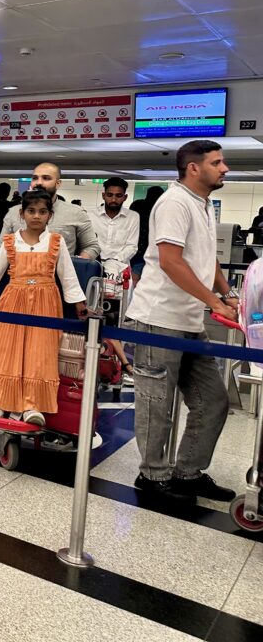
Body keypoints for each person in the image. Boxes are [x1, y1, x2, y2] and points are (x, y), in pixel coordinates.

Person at [125, 140, 237, 504]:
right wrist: (213, 302)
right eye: (217, 163)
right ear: (193, 168)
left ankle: (188, 472)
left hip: (189, 321)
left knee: (213, 400)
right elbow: (171, 261)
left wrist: (227, 293)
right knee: (157, 404)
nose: (225, 168)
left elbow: (207, 257)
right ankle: (153, 476)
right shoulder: (174, 202)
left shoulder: (202, 205)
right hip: (158, 320)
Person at [0, 190, 88, 426]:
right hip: (13, 300)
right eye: (31, 211)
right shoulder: (11, 241)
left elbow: (67, 275)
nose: (36, 216)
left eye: (42, 212)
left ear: (49, 216)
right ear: (22, 214)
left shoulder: (56, 242)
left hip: (46, 303)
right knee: (5, 350)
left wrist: (79, 303)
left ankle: (33, 406)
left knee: (40, 353)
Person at [90, 177, 140, 379]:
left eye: (118, 196)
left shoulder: (133, 217)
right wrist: (100, 258)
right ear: (103, 195)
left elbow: (132, 246)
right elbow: (89, 242)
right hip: (94, 271)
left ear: (125, 197)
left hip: (120, 275)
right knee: (93, 316)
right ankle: (95, 360)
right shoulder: (91, 215)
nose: (113, 199)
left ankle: (118, 365)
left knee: (116, 319)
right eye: (110, 194)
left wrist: (112, 260)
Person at [0, 163, 100, 259]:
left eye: (46, 178)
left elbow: (91, 246)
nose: (39, 182)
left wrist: (76, 264)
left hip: (59, 274)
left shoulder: (76, 213)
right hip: (18, 273)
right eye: (35, 178)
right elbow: (1, 248)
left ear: (58, 183)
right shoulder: (14, 212)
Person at [129, 185, 165, 281]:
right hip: (154, 251)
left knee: (134, 278)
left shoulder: (137, 205)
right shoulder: (162, 208)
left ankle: (133, 294)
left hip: (136, 250)